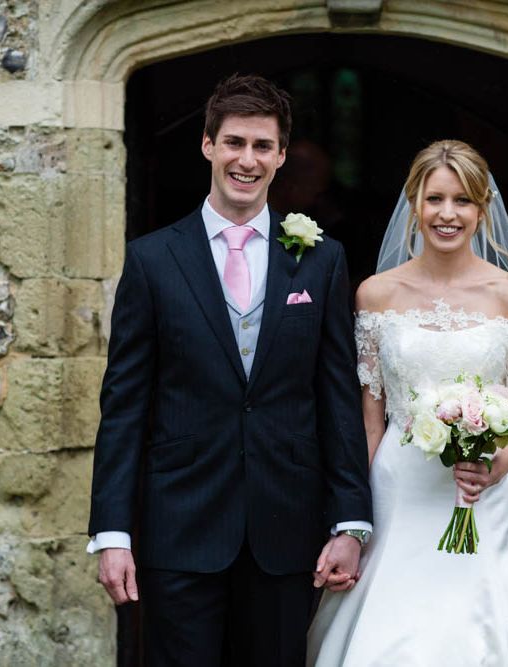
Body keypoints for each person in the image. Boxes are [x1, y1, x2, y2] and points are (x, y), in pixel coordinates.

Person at [87, 73, 372, 666]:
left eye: (263, 146)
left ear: (282, 156)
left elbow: (337, 395)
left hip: (286, 527)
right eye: (236, 142)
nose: (248, 159)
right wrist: (112, 533)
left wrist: (351, 521)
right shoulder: (152, 259)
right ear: (208, 146)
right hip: (179, 525)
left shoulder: (321, 260)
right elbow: (124, 405)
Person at [307, 140, 508, 665]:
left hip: (479, 495)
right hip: (397, 492)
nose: (447, 214)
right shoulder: (376, 294)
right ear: (414, 204)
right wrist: (351, 520)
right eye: (434, 199)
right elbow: (370, 420)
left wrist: (494, 466)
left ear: (481, 210)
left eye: (463, 201)